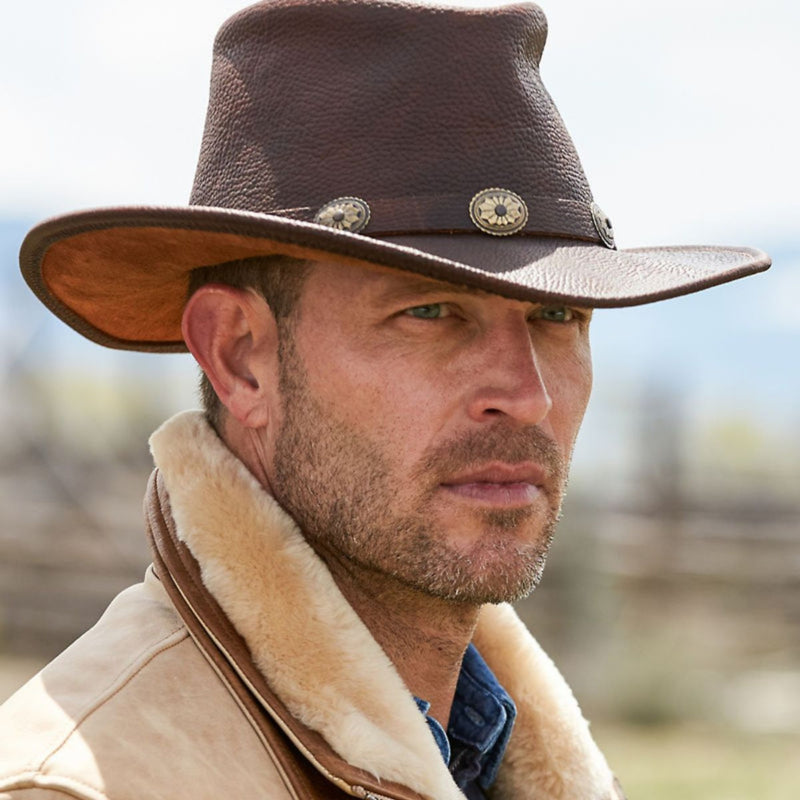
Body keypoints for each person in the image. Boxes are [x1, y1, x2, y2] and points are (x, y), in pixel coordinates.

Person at [0, 0, 769, 798]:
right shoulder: (84, 783)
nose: (527, 396)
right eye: (429, 312)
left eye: (557, 315)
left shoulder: (491, 755)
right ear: (240, 358)